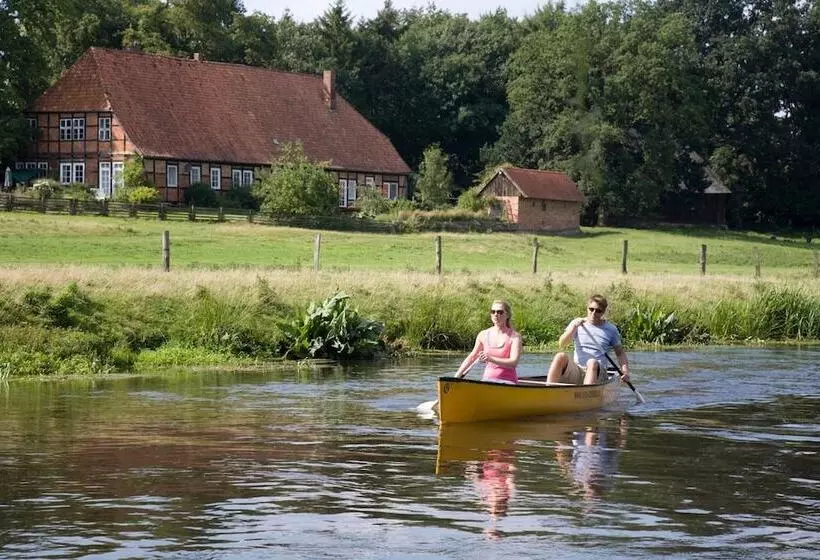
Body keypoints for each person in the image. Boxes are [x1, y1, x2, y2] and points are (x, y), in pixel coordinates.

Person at [546, 294, 630, 386]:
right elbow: (562, 344)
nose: (593, 313)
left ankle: (587, 391)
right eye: (591, 309)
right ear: (587, 308)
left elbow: (620, 353)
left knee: (592, 362)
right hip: (578, 370)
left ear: (603, 312)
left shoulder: (611, 329)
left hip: (599, 372)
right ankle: (549, 387)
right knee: (560, 356)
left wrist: (625, 371)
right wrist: (573, 328)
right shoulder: (576, 323)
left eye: (598, 311)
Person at [455, 299, 522, 384]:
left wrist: (490, 359)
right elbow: (472, 357)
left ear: (507, 315)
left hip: (508, 382)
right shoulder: (483, 334)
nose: (496, 314)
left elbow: (513, 363)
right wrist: (456, 376)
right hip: (487, 380)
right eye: (493, 312)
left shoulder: (515, 337)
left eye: (500, 312)